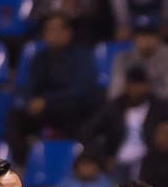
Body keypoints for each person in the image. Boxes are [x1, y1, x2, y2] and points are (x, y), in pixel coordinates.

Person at [7, 13, 99, 163]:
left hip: (73, 109)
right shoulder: (39, 59)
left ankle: (71, 161)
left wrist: (47, 101)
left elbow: (81, 90)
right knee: (15, 116)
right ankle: (22, 164)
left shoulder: (82, 56)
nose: (53, 34)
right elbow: (29, 87)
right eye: (49, 30)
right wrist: (31, 102)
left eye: (57, 29)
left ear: (68, 32)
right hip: (45, 110)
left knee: (74, 112)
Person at [109, 15, 168, 104]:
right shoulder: (123, 58)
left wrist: (145, 90)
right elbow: (114, 92)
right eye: (141, 34)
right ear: (134, 37)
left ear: (158, 37)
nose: (146, 39)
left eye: (150, 34)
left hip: (161, 106)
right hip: (128, 106)